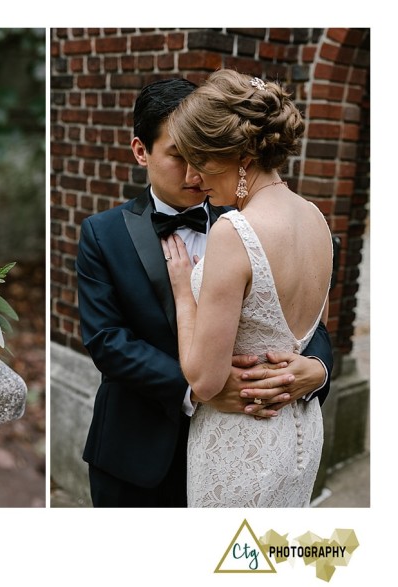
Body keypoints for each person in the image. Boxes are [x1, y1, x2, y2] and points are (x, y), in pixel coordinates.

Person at [76, 78, 333, 507]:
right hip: (136, 452)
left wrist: (317, 370)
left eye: (202, 156)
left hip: (245, 448)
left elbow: (302, 319)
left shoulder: (249, 224)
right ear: (142, 151)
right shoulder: (102, 234)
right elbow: (107, 341)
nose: (194, 174)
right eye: (180, 155)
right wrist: (199, 390)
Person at [162, 70, 333, 507]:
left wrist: (185, 293)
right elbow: (314, 336)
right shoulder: (316, 218)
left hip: (240, 437)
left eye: (198, 159)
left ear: (236, 156)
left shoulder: (233, 231)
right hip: (300, 430)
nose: (194, 176)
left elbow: (203, 380)